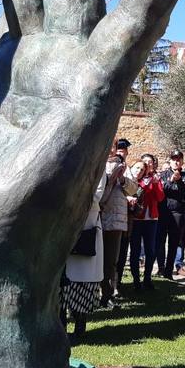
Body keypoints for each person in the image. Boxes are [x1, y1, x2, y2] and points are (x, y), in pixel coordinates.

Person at [61, 170, 107, 343]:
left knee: (83, 281)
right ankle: (61, 327)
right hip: (66, 226)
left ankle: (79, 329)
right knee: (63, 284)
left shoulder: (99, 169)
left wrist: (69, 197)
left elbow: (96, 196)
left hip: (88, 226)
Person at [100, 144, 136, 307]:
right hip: (98, 216)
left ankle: (107, 295)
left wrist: (122, 179)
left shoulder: (123, 165)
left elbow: (134, 188)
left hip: (116, 221)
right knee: (94, 259)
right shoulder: (98, 162)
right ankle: (92, 294)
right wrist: (111, 178)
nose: (111, 150)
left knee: (111, 260)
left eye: (112, 146)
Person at [127, 158, 163, 290]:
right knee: (135, 251)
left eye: (150, 162)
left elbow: (160, 197)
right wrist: (149, 184)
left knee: (151, 250)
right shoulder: (137, 178)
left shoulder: (156, 179)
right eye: (145, 162)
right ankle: (136, 280)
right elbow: (138, 193)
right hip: (137, 219)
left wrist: (155, 183)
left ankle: (147, 278)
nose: (148, 164)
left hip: (151, 219)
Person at [157, 150, 185, 278]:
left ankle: (169, 272)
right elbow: (162, 190)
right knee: (160, 241)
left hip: (178, 213)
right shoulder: (163, 174)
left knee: (174, 243)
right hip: (164, 212)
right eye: (174, 159)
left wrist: (179, 182)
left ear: (182, 161)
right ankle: (161, 268)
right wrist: (171, 181)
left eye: (178, 159)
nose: (176, 162)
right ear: (170, 161)